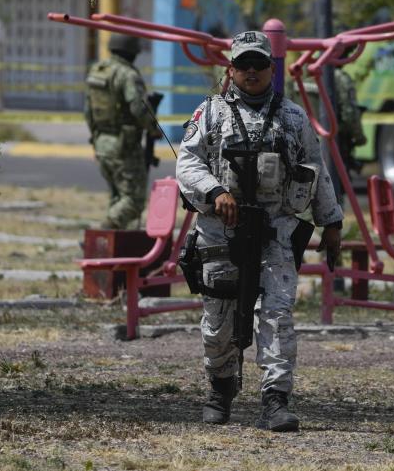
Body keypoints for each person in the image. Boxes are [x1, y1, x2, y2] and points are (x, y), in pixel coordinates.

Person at [176, 30, 343, 431]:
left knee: (277, 316)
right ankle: (220, 390)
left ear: (272, 69)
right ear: (230, 70)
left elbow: (316, 170)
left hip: (276, 231)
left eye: (259, 65)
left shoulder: (293, 117)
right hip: (221, 232)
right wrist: (215, 192)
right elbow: (187, 164)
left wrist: (332, 222)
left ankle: (275, 399)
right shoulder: (210, 112)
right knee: (219, 319)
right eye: (243, 65)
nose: (251, 72)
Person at [84, 34, 160, 229]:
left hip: (102, 143)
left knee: (118, 196)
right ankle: (103, 232)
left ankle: (115, 247)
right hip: (123, 145)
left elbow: (88, 111)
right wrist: (153, 129)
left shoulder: (97, 71)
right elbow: (138, 108)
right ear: (133, 52)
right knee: (133, 201)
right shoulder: (128, 75)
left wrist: (95, 138)